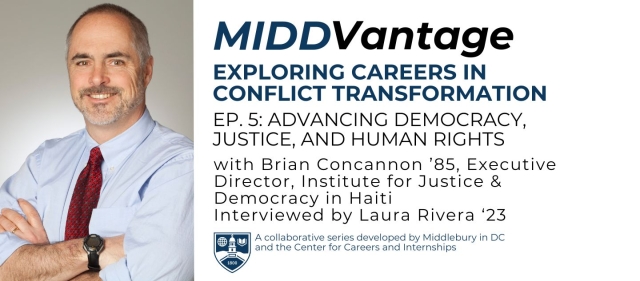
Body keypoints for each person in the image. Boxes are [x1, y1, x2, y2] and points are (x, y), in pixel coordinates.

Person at [0, 3, 193, 280]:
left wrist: (40, 258)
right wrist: (102, 250)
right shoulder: (42, 163)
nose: (97, 78)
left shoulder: (183, 168)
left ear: (146, 71)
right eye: (83, 62)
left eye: (116, 61)